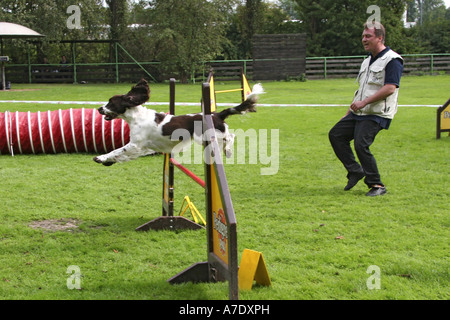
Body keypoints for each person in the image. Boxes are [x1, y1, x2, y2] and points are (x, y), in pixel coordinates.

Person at [328, 22, 403, 196]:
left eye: (368, 36)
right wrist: (349, 112)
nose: (364, 39)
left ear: (380, 38)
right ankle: (355, 171)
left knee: (361, 144)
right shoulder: (367, 61)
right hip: (359, 112)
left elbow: (390, 88)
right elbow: (361, 91)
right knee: (336, 134)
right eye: (363, 36)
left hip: (376, 113)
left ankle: (377, 185)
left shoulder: (392, 60)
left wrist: (365, 103)